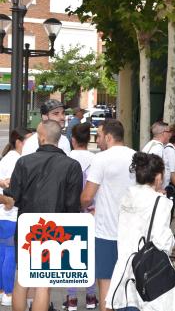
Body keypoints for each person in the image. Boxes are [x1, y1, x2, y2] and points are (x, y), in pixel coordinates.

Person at [9, 121, 82, 311]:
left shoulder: (23, 162)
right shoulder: (72, 166)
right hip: (56, 228)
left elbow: (14, 197)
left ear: (41, 138)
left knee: (22, 279)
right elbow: (73, 205)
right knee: (44, 283)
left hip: (28, 226)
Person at [106, 152, 175, 311]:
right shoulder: (160, 202)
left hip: (124, 270)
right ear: (158, 177)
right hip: (149, 274)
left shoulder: (126, 197)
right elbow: (162, 241)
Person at [80, 120, 136, 311]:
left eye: (100, 136)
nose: (98, 139)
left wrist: (82, 206)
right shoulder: (136, 157)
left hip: (105, 232)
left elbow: (87, 197)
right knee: (129, 286)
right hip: (132, 233)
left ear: (109, 137)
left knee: (106, 285)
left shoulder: (101, 159)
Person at [66, 122, 98, 310]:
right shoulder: (95, 160)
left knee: (72, 255)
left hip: (70, 212)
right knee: (90, 255)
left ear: (73, 140)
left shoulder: (66, 159)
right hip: (91, 212)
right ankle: (91, 297)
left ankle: (71, 298)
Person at [0, 127, 31, 308]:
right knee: (10, 254)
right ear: (19, 142)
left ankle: (3, 291)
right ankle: (8, 292)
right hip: (10, 212)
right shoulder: (17, 160)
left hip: (3, 214)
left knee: (3, 252)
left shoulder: (7, 157)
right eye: (28, 140)